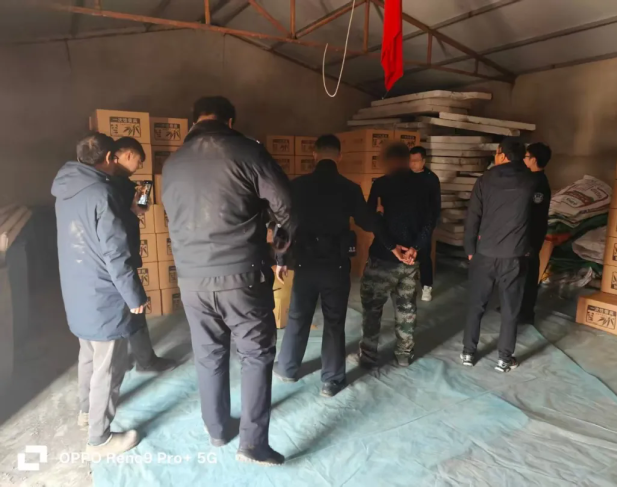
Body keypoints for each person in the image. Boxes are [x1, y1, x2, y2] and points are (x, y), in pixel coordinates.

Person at [162, 96, 295, 466]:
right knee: (255, 354)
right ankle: (252, 444)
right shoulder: (249, 152)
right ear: (230, 121)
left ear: (194, 121)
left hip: (191, 279)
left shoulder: (172, 163)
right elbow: (286, 207)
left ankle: (218, 430)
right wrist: (281, 253)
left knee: (209, 354)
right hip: (241, 275)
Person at [51, 133, 146, 456]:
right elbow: (115, 253)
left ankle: (85, 412)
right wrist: (134, 295)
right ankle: (100, 438)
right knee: (110, 365)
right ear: (109, 158)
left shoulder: (65, 189)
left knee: (88, 355)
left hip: (77, 286)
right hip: (104, 291)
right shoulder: (102, 193)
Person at [274, 134, 382, 397]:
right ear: (340, 157)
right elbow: (367, 222)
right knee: (334, 321)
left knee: (298, 314)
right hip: (336, 265)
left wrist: (280, 259)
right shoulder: (350, 188)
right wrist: (381, 217)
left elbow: (284, 224)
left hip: (305, 262)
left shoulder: (297, 186)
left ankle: (287, 368)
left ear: (314, 154)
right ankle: (331, 381)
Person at [352, 142, 438, 368]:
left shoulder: (381, 185)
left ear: (389, 161)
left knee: (372, 309)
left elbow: (372, 221)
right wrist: (415, 248)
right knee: (406, 308)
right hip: (410, 260)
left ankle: (368, 356)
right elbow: (430, 222)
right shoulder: (424, 185)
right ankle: (403, 355)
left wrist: (392, 247)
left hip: (383, 259)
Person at [461, 138, 537, 373]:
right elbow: (537, 221)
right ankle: (504, 358)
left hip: (484, 254)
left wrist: (470, 250)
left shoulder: (485, 180)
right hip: (514, 256)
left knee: (476, 305)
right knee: (510, 309)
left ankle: (468, 352)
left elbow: (473, 218)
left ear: (502, 155)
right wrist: (529, 249)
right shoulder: (532, 181)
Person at [111, 137, 177, 373]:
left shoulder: (104, 182)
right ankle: (145, 361)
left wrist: (136, 206)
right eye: (139, 161)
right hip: (121, 256)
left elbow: (132, 212)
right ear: (128, 155)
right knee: (135, 307)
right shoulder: (119, 184)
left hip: (111, 257)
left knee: (120, 310)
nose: (139, 166)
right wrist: (137, 205)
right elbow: (133, 212)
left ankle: (123, 360)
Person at [520, 143, 552, 324]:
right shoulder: (530, 179)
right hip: (525, 233)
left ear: (533, 159)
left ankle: (526, 312)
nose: (524, 160)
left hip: (531, 234)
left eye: (526, 157)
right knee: (519, 272)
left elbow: (534, 214)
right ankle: (517, 306)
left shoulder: (538, 184)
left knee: (529, 273)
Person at [409, 146, 441, 301]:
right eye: (410, 160)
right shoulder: (404, 176)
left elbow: (436, 204)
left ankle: (427, 286)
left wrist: (432, 225)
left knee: (424, 256)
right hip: (408, 223)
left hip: (424, 224)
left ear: (423, 161)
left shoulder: (431, 179)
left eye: (416, 160)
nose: (412, 163)